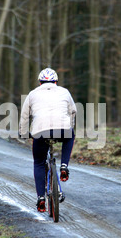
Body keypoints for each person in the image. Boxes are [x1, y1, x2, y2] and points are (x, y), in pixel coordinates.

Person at [19, 68, 77, 212]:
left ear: (40, 83)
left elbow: (25, 116)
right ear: (56, 82)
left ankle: (41, 198)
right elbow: (73, 112)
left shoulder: (32, 94)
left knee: (39, 163)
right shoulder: (64, 92)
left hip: (40, 131)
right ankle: (64, 165)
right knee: (70, 135)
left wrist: (23, 133)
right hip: (63, 129)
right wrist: (70, 127)